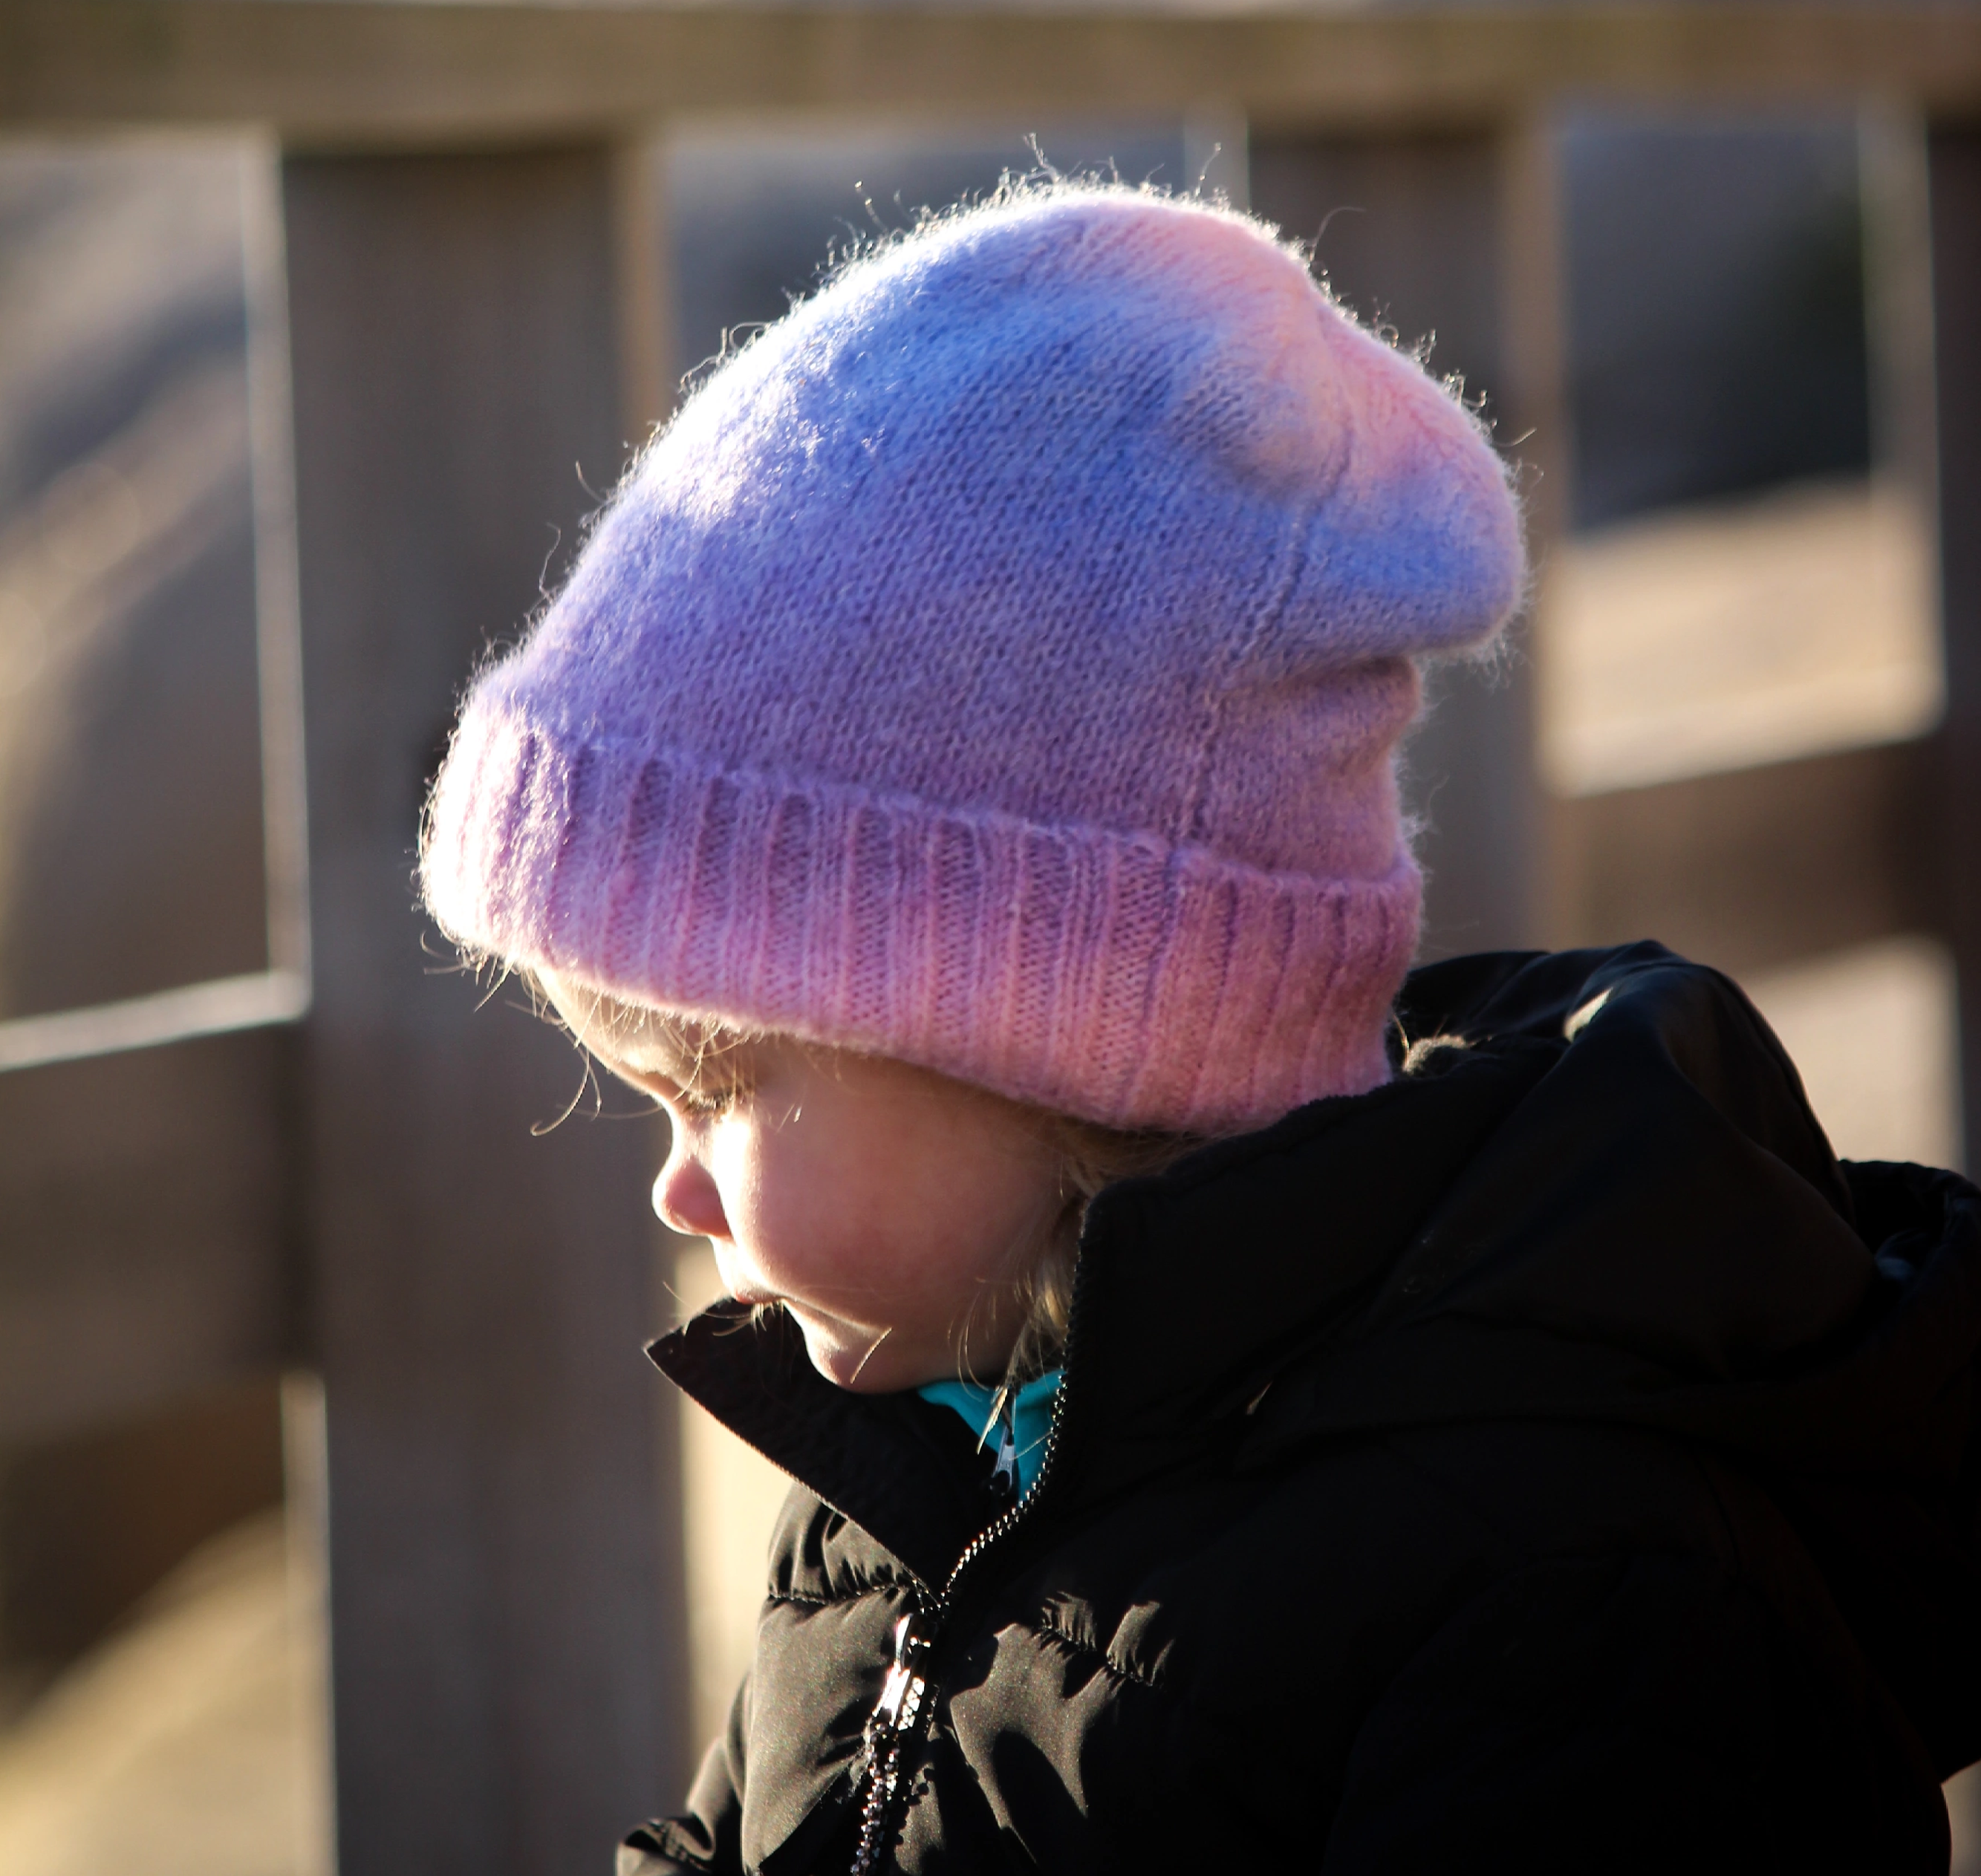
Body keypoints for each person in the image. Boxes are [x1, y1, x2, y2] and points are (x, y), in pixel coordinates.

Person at [420, 183, 1981, 1873]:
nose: (676, 1192)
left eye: (716, 1086)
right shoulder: (919, 1474)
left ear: (1051, 1033)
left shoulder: (1578, 1605)